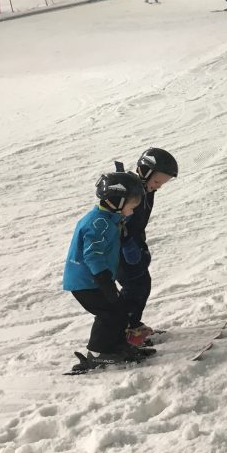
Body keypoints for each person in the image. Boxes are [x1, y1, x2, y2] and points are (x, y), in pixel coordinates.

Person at [63, 171, 153, 364]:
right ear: (118, 202)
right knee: (109, 313)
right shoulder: (99, 223)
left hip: (96, 280)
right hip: (86, 282)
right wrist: (105, 282)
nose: (133, 210)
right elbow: (92, 256)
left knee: (119, 311)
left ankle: (117, 346)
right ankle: (98, 351)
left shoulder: (108, 219)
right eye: (132, 206)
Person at [116, 148, 178, 345]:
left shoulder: (145, 189)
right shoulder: (130, 191)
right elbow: (118, 220)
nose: (159, 187)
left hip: (134, 244)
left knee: (142, 285)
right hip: (121, 250)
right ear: (144, 171)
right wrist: (126, 243)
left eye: (162, 183)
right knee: (134, 286)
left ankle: (132, 324)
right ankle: (124, 331)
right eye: (157, 181)